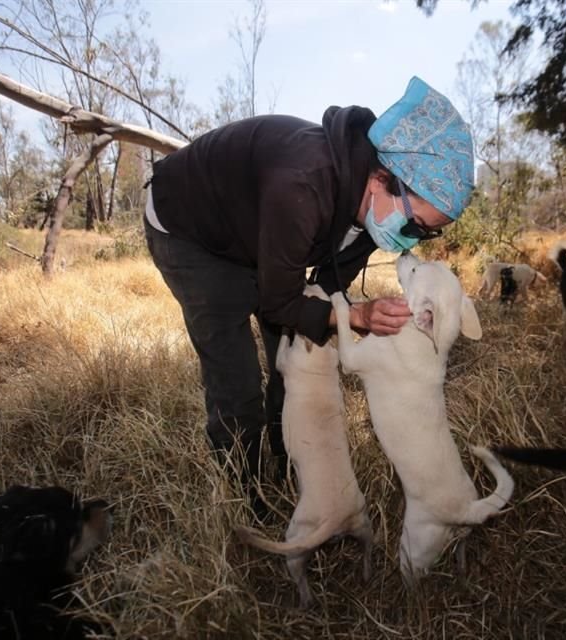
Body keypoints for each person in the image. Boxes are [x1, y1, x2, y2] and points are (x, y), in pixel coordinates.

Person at [143, 76, 475, 515]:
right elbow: (281, 303)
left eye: (427, 235)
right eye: (416, 227)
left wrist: (335, 311)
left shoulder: (377, 211)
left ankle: (288, 468)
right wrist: (355, 317)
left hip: (262, 230)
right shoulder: (303, 182)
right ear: (381, 179)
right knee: (236, 380)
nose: (413, 242)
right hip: (191, 231)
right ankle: (248, 497)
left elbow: (326, 289)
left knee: (295, 360)